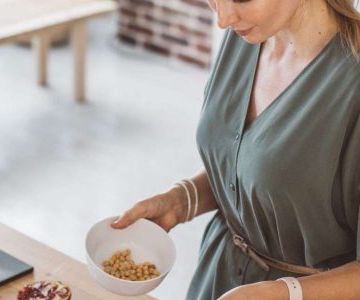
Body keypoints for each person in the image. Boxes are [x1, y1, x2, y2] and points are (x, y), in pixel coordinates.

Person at [111, 0, 360, 299]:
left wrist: (282, 293)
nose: (223, 19)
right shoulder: (247, 34)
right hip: (218, 275)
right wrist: (183, 200)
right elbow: (255, 165)